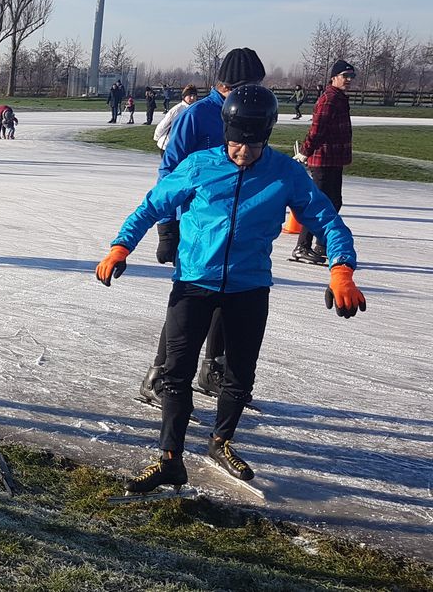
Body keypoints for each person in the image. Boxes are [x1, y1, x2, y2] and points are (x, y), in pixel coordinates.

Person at [95, 84, 365, 491]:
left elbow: (326, 220)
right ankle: (170, 458)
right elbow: (152, 205)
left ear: (267, 137)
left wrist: (341, 268)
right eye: (237, 142)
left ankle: (221, 442)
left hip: (248, 286)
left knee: (238, 376)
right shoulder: (200, 165)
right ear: (227, 133)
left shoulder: (285, 173)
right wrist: (120, 246)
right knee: (176, 373)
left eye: (253, 144)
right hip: (194, 282)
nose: (242, 152)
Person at [143, 48, 266, 409]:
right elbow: (169, 172)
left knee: (227, 297)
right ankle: (159, 374)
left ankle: (212, 369)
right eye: (250, 85)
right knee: (191, 301)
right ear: (228, 85)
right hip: (193, 226)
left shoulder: (251, 113)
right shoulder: (197, 116)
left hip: (234, 226)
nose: (255, 93)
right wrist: (167, 228)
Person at [293, 60, 355, 265]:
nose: (348, 80)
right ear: (333, 77)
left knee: (334, 202)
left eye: (350, 77)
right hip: (323, 160)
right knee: (317, 204)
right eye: (344, 76)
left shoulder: (339, 98)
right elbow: (317, 130)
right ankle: (302, 246)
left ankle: (322, 243)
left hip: (334, 159)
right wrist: (305, 152)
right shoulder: (329, 99)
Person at [153, 84, 198, 155]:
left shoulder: (195, 110)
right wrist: (157, 137)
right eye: (190, 95)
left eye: (194, 96)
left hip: (183, 147)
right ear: (184, 96)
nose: (192, 98)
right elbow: (163, 125)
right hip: (168, 146)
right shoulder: (177, 110)